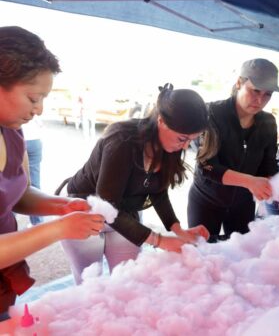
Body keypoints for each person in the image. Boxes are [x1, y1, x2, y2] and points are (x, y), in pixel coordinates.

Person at [0, 26, 105, 319]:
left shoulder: (13, 131)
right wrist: (58, 229)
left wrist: (59, 206)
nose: (40, 110)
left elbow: (17, 193)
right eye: (33, 98)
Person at [60, 83, 210, 284]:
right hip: (85, 210)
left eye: (191, 140)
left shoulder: (170, 146)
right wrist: (159, 241)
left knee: (127, 281)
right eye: (182, 139)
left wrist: (177, 229)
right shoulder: (122, 140)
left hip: (125, 214)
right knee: (89, 282)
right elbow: (107, 206)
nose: (184, 146)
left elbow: (158, 191)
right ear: (161, 121)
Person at [187, 58, 279, 242]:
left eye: (267, 94)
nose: (260, 100)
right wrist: (250, 182)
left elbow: (268, 165)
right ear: (239, 82)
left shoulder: (268, 122)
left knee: (240, 255)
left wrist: (273, 183)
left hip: (243, 204)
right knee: (202, 254)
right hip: (207, 201)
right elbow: (207, 166)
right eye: (255, 91)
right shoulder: (211, 113)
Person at [22, 116, 44, 225]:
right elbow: (40, 123)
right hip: (35, 140)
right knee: (34, 184)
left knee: (12, 182)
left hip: (22, 138)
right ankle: (37, 223)